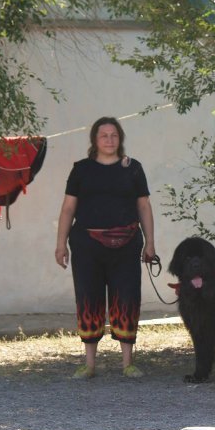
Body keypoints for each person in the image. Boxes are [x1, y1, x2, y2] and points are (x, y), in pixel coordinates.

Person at [55, 116, 156, 379]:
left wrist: (150, 242)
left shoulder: (133, 169)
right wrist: (60, 244)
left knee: (127, 298)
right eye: (104, 136)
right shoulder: (81, 170)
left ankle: (127, 363)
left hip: (126, 245)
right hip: (87, 245)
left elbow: (144, 206)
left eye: (114, 135)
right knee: (89, 299)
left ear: (120, 138)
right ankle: (89, 364)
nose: (109, 140)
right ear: (94, 140)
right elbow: (68, 208)